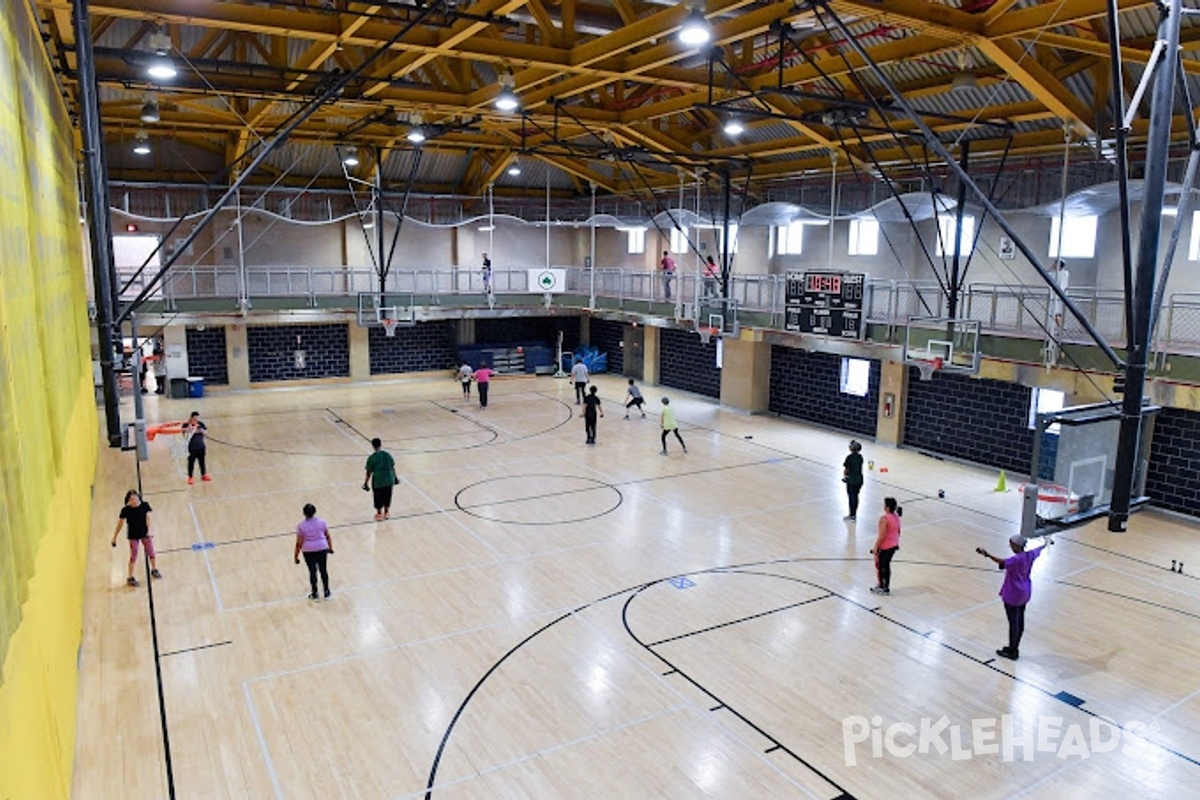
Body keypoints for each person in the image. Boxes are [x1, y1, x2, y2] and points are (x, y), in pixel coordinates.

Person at [977, 534, 1050, 660]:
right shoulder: (1030, 555)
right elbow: (1039, 548)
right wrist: (1046, 542)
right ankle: (1015, 646)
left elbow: (1002, 562)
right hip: (1025, 591)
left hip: (1013, 593)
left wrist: (987, 554)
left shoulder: (1015, 560)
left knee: (1013, 623)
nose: (1010, 546)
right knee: (1020, 620)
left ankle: (1012, 650)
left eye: (1011, 544)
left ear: (1016, 545)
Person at [111, 490, 161, 587]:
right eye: (132, 499)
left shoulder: (144, 506)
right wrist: (114, 537)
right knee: (133, 556)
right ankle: (130, 577)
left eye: (136, 498)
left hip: (145, 534)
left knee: (151, 552)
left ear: (139, 498)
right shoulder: (125, 510)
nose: (134, 500)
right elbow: (119, 525)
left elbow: (148, 519)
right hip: (133, 536)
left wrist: (149, 531)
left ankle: (154, 570)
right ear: (128, 500)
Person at [294, 503, 334, 600]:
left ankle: (315, 593)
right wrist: (330, 547)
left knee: (312, 571)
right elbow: (327, 536)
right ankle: (327, 591)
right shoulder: (321, 522)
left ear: (304, 513)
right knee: (323, 570)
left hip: (308, 550)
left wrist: (296, 556)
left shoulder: (301, 526)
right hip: (322, 548)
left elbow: (299, 543)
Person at [870, 497, 902, 595]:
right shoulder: (896, 517)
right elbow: (898, 531)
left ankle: (882, 586)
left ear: (887, 507)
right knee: (886, 565)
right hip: (893, 544)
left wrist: (876, 547)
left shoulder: (885, 519)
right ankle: (885, 586)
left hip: (885, 546)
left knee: (881, 566)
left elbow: (882, 535)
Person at [363, 438, 397, 521]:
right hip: (389, 479)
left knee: (378, 497)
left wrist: (366, 483)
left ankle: (379, 514)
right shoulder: (387, 455)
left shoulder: (372, 458)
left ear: (373, 446)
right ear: (380, 444)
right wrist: (395, 478)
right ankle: (386, 512)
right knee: (387, 496)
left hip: (378, 481)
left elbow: (369, 472)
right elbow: (392, 467)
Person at [184, 411, 210, 484]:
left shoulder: (200, 424)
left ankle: (203, 474)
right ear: (191, 417)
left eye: (197, 418)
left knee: (202, 461)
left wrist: (200, 430)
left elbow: (206, 433)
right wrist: (191, 429)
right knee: (191, 462)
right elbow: (184, 433)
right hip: (192, 448)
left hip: (201, 446)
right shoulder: (186, 424)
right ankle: (190, 477)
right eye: (195, 418)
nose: (196, 420)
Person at [843, 440, 864, 522]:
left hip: (852, 480)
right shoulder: (860, 457)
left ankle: (852, 514)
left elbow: (846, 469)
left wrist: (846, 477)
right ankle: (854, 513)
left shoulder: (849, 457)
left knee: (851, 497)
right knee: (856, 496)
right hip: (859, 480)